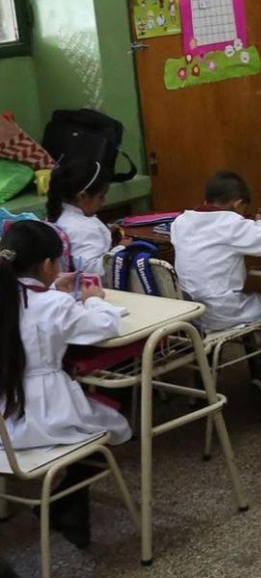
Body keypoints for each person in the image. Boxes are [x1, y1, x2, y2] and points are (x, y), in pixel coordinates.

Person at [0, 220, 131, 547]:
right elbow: (104, 326)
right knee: (116, 427)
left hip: (5, 424)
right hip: (47, 414)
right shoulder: (53, 305)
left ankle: (67, 510)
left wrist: (50, 287)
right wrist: (93, 299)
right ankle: (64, 505)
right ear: (47, 265)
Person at [170, 171, 261, 332]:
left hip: (189, 310)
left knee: (257, 303)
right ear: (238, 204)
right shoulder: (231, 224)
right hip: (221, 311)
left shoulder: (180, 222)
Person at [46, 157, 125, 277]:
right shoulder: (84, 228)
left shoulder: (59, 214)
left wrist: (107, 234)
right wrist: (121, 248)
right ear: (83, 196)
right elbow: (92, 270)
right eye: (101, 196)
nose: (104, 201)